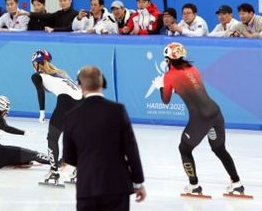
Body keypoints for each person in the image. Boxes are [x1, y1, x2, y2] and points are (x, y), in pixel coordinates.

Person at [152, 42, 245, 196]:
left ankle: (194, 185)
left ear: (168, 59)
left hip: (200, 119)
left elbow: (166, 100)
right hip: (215, 113)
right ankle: (237, 183)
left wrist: (160, 86)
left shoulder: (169, 76)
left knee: (184, 149)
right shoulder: (193, 69)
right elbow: (191, 90)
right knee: (219, 149)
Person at [63, 66, 146, 210]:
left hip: (87, 187)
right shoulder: (118, 110)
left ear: (80, 86)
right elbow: (131, 150)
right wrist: (138, 182)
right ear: (103, 84)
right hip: (117, 186)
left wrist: (87, 162)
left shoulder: (71, 116)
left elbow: (69, 157)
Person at [30, 49, 82, 183]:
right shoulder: (62, 74)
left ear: (36, 63)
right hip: (82, 102)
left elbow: (40, 92)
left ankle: (54, 172)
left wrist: (42, 112)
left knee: (52, 138)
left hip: (66, 103)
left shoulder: (37, 76)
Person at [0, 95, 51, 168]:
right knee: (33, 154)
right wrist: (25, 133)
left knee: (13, 153)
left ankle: (21, 161)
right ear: (3, 109)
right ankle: (56, 162)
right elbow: (7, 128)